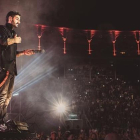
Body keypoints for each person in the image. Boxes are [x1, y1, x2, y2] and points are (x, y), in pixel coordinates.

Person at [0, 11, 35, 130]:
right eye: (17, 19)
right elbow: (2, 42)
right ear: (10, 18)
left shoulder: (13, 33)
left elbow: (12, 54)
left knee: (8, 96)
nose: (19, 21)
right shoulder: (2, 29)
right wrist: (14, 41)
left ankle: (2, 120)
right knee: (2, 96)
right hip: (3, 68)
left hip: (11, 69)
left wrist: (23, 53)